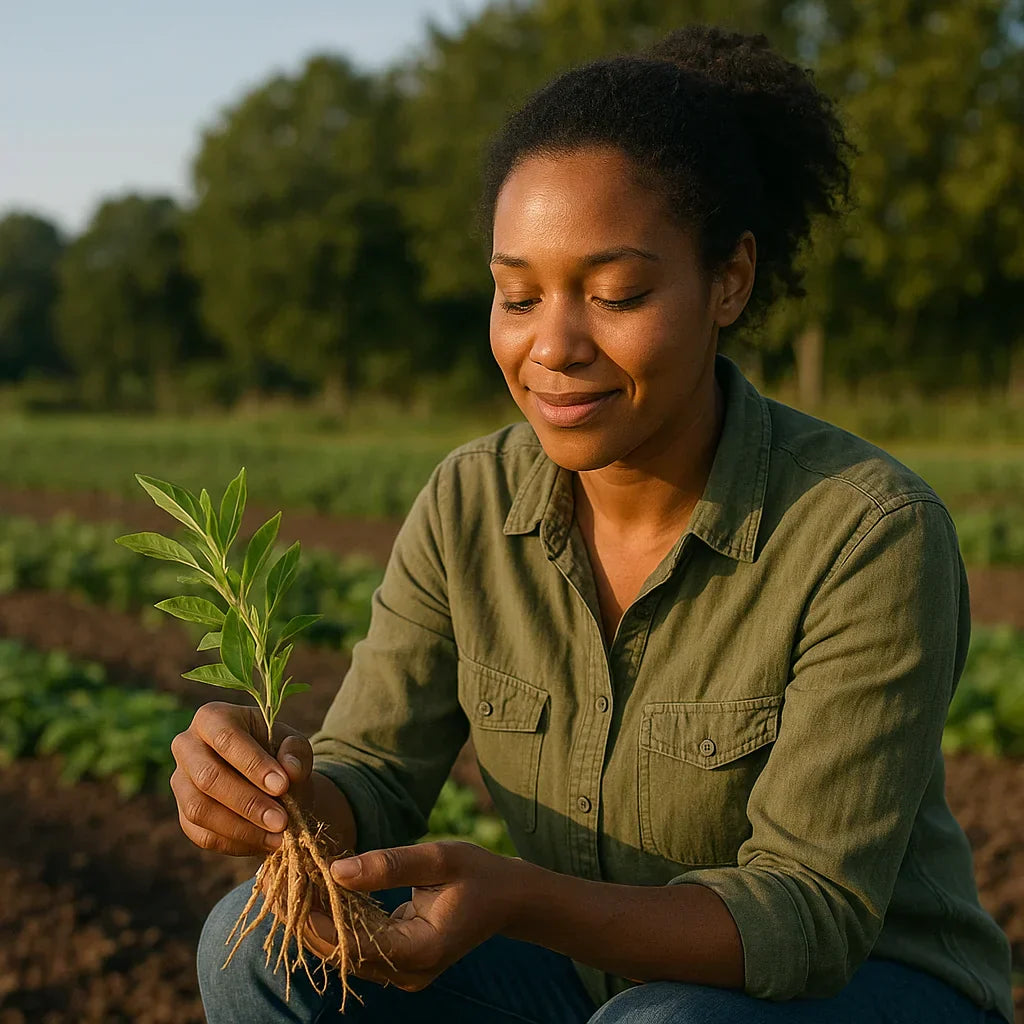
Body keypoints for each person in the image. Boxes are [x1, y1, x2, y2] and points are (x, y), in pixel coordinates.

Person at [181, 24, 1014, 1024]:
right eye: (517, 294)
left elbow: (807, 915)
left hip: (865, 987)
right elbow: (373, 775)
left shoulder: (863, 530)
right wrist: (274, 798)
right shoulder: (469, 503)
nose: (554, 345)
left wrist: (521, 898)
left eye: (615, 293)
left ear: (730, 281)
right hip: (597, 986)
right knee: (255, 945)